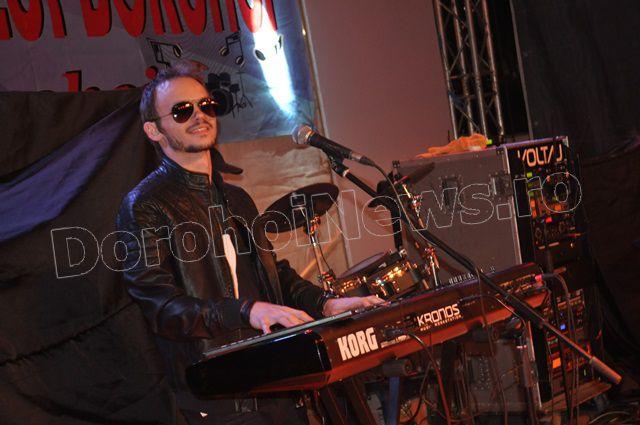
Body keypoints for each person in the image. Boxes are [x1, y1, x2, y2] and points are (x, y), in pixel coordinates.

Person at [116, 63, 383, 424]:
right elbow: (161, 306)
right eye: (182, 111)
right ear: (153, 130)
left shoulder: (237, 199)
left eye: (205, 105)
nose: (199, 116)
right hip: (218, 393)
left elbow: (274, 276)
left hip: (276, 383)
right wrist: (244, 311)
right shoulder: (146, 204)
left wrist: (327, 303)